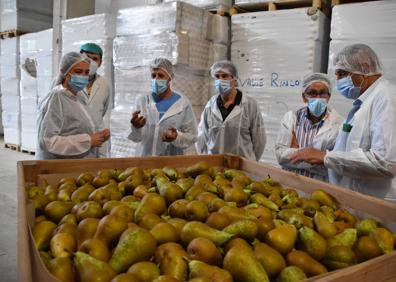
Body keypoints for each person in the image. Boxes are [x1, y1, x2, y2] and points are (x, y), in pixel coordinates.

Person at [290, 44, 396, 201]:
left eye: (342, 74)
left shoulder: (386, 98)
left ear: (365, 68)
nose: (338, 81)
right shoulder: (364, 103)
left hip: (377, 204)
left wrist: (326, 156)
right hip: (355, 198)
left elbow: (385, 162)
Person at [36, 52, 110, 160]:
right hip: (62, 168)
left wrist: (99, 136)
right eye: (78, 72)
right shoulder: (57, 98)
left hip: (82, 166)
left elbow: (77, 128)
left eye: (86, 72)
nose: (83, 76)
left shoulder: (78, 96)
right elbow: (47, 141)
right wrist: (87, 141)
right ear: (64, 72)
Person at [275, 73, 343, 181]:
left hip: (320, 187)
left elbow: (334, 166)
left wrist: (296, 152)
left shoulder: (338, 124)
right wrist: (318, 157)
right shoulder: (291, 118)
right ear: (304, 97)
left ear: (329, 96)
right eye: (312, 93)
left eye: (322, 93)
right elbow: (280, 156)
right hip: (291, 183)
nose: (318, 98)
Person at [196, 60, 266, 161]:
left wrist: (250, 162)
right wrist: (206, 163)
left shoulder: (249, 105)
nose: (220, 80)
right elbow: (201, 139)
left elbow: (259, 140)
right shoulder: (210, 106)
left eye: (224, 76)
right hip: (216, 169)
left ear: (234, 79)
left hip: (242, 169)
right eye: (217, 76)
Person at [128, 58, 197, 156]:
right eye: (153, 75)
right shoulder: (142, 101)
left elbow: (191, 136)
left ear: (170, 78)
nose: (156, 79)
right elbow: (136, 138)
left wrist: (176, 137)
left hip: (171, 162)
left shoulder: (182, 103)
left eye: (161, 76)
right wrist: (136, 127)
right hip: (145, 159)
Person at [80, 43, 112, 156]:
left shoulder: (104, 84)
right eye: (87, 57)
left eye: (95, 59)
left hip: (97, 138)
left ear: (100, 62)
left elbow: (102, 111)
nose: (91, 62)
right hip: (74, 140)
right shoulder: (68, 81)